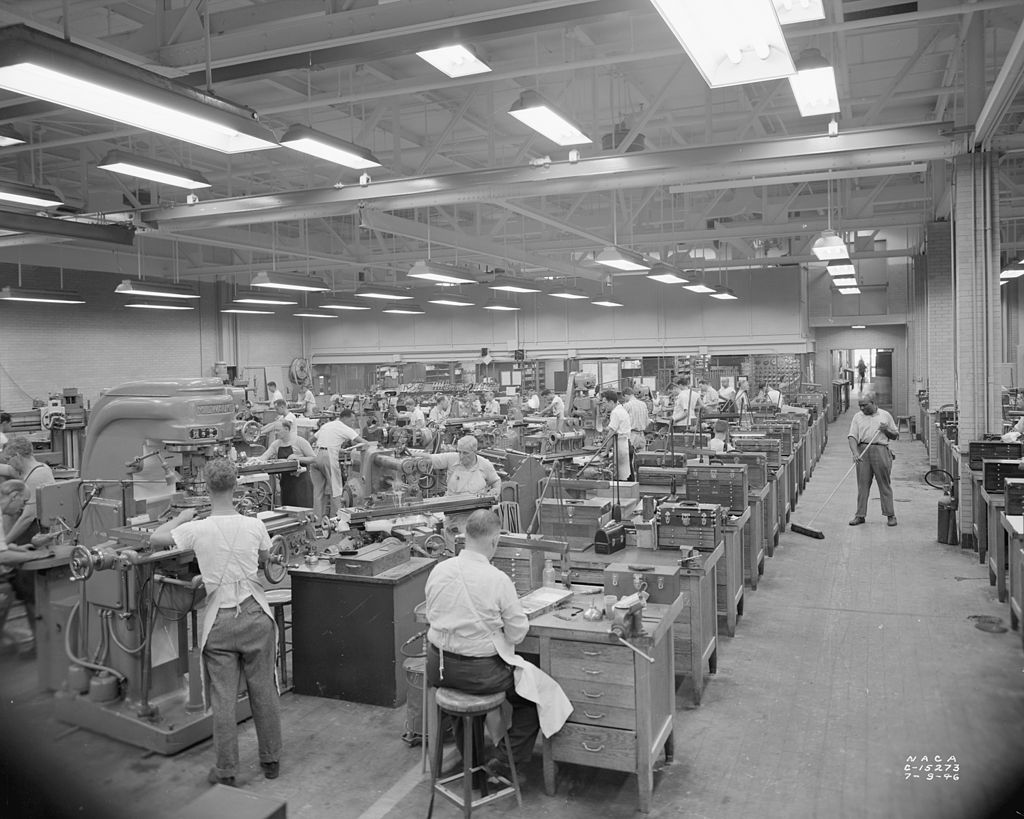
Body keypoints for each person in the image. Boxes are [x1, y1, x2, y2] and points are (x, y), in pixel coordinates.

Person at [149, 459, 281, 787]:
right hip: (254, 616)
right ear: (236, 485)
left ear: (206, 489)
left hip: (220, 621)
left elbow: (156, 538)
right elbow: (265, 559)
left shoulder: (198, 529)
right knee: (263, 690)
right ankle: (271, 759)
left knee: (223, 698)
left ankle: (226, 771)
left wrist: (180, 517)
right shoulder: (255, 525)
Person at [423, 510, 545, 784]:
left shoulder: (439, 570)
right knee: (533, 697)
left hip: (438, 667)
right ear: (494, 541)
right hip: (479, 673)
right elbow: (517, 634)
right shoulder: (497, 579)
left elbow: (432, 614)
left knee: (463, 688)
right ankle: (503, 761)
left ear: (465, 537)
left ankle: (473, 767)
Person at [847, 393, 899, 527]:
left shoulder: (885, 415)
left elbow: (895, 435)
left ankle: (890, 515)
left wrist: (885, 429)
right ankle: (860, 515)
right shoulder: (857, 417)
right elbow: (852, 436)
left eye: (865, 405)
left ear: (874, 402)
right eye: (860, 406)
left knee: (884, 484)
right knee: (862, 485)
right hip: (863, 450)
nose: (862, 408)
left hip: (881, 450)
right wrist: (855, 452)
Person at [311, 409, 367, 516]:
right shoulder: (343, 427)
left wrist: (339, 450)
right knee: (336, 490)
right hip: (328, 458)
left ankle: (317, 522)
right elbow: (363, 442)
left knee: (318, 493)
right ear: (344, 418)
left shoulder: (327, 425)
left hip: (315, 456)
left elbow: (312, 440)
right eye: (351, 420)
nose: (352, 423)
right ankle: (337, 521)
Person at [255, 418, 315, 508]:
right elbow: (264, 457)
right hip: (286, 484)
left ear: (287, 429)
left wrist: (298, 458)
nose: (276, 433)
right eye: (275, 430)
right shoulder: (276, 444)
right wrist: (255, 460)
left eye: (278, 430)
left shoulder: (300, 441)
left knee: (304, 512)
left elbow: (313, 458)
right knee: (288, 512)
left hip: (301, 484)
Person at [428, 435, 501, 497]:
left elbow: (496, 481)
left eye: (465, 453)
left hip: (476, 507)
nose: (461, 456)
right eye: (459, 452)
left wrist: (495, 491)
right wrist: (417, 456)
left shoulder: (485, 464)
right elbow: (429, 459)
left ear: (475, 452)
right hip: (451, 506)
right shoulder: (452, 458)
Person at [600, 390, 632, 481]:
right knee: (628, 474)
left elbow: (611, 434)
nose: (604, 406)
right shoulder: (621, 409)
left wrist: (605, 451)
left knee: (622, 477)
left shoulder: (615, 412)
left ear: (611, 402)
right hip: (627, 442)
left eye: (605, 403)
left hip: (622, 445)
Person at [622, 387, 650, 454]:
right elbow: (647, 422)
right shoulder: (643, 404)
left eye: (624, 398)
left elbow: (622, 422)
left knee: (629, 458)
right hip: (642, 435)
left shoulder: (627, 405)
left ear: (626, 395)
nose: (624, 400)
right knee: (641, 459)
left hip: (632, 436)